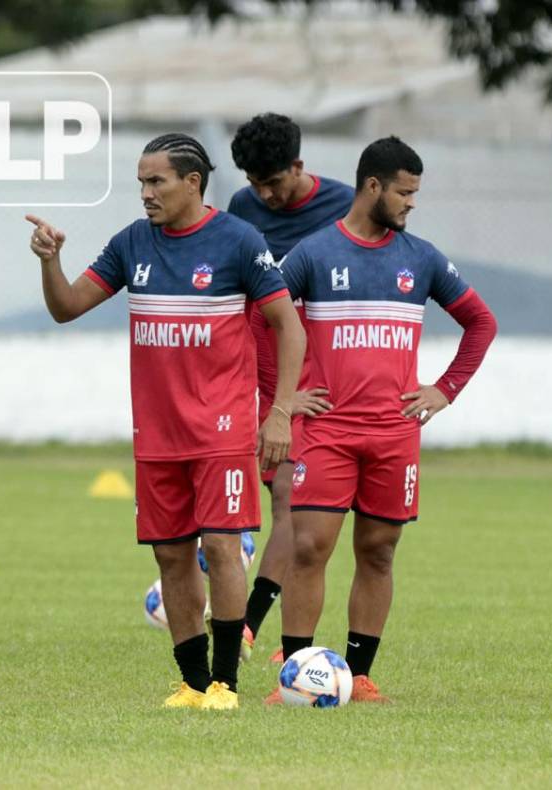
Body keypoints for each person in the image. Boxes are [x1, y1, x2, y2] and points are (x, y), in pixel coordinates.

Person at [27, 133, 314, 710]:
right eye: (140, 182)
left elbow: (290, 326)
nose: (145, 193)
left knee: (221, 547)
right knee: (171, 556)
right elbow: (66, 308)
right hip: (156, 436)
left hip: (222, 432)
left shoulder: (238, 240)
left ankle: (225, 685)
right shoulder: (133, 242)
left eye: (155, 181)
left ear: (192, 183)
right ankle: (191, 681)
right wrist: (51, 259)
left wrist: (278, 412)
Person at [277, 136, 497, 703]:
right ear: (372, 186)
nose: (411, 203)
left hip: (395, 434)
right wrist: (283, 399)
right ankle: (296, 673)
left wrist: (445, 390)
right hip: (327, 431)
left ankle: (360, 674)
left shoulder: (420, 258)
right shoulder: (313, 253)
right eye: (404, 192)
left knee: (378, 550)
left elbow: (480, 322)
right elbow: (263, 319)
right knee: (308, 547)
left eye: (415, 193)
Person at [226, 112, 352, 669]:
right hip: (253, 371)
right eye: (255, 184)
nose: (265, 195)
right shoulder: (242, 207)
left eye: (273, 182)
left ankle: (253, 627)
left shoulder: (345, 206)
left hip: (315, 378)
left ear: (299, 167)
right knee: (270, 499)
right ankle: (267, 625)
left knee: (289, 504)